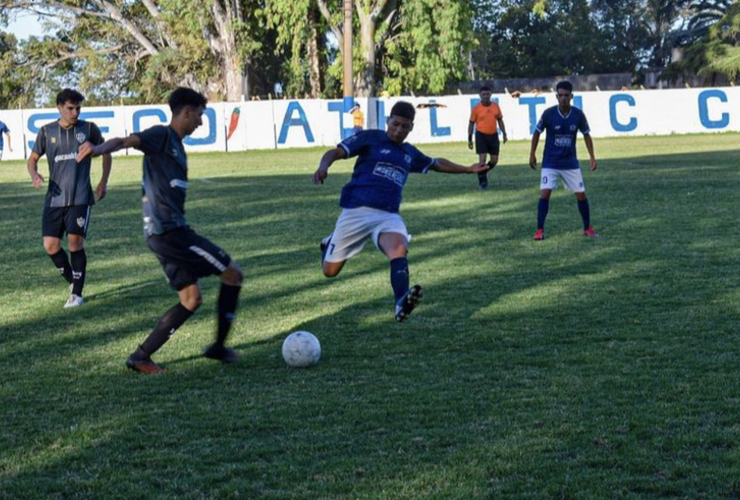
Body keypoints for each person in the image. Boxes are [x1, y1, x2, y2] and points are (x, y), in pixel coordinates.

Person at [76, 87, 243, 373]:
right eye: (199, 116)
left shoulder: (177, 145)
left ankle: (140, 357)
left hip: (163, 234)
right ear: (186, 112)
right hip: (170, 233)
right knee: (233, 274)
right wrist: (98, 148)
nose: (201, 123)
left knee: (191, 299)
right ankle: (218, 346)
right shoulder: (161, 135)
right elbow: (125, 140)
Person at [313, 101, 488, 322]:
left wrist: (467, 169)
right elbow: (336, 152)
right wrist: (323, 166)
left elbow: (436, 163)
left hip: (387, 216)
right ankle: (329, 244)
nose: (398, 130)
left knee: (398, 248)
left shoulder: (409, 153)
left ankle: (400, 302)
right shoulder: (371, 138)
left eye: (404, 127)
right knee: (330, 271)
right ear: (388, 121)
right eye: (395, 124)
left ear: (411, 128)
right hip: (356, 210)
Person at [27, 89, 112, 308]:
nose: (75, 113)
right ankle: (73, 282)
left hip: (80, 196)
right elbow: (32, 159)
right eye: (70, 108)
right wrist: (34, 174)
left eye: (78, 108)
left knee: (75, 243)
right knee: (50, 246)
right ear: (59, 107)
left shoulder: (89, 129)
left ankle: (77, 294)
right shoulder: (46, 132)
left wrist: (103, 182)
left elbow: (106, 152)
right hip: (54, 199)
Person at [529, 80, 598, 241]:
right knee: (545, 193)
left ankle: (587, 228)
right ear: (556, 96)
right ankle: (540, 231)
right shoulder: (548, 114)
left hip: (570, 163)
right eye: (560, 95)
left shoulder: (578, 115)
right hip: (550, 162)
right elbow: (537, 132)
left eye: (566, 95)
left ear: (571, 96)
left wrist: (592, 156)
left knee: (581, 195)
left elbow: (586, 134)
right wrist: (532, 153)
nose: (563, 98)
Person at [468, 86, 507, 189]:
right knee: (482, 160)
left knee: (494, 160)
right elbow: (471, 123)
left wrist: (504, 133)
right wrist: (470, 139)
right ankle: (482, 182)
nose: (485, 96)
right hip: (481, 135)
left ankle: (483, 171)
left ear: (491, 94)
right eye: (483, 94)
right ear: (480, 96)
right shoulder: (476, 109)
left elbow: (500, 120)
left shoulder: (495, 106)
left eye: (487, 94)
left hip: (493, 135)